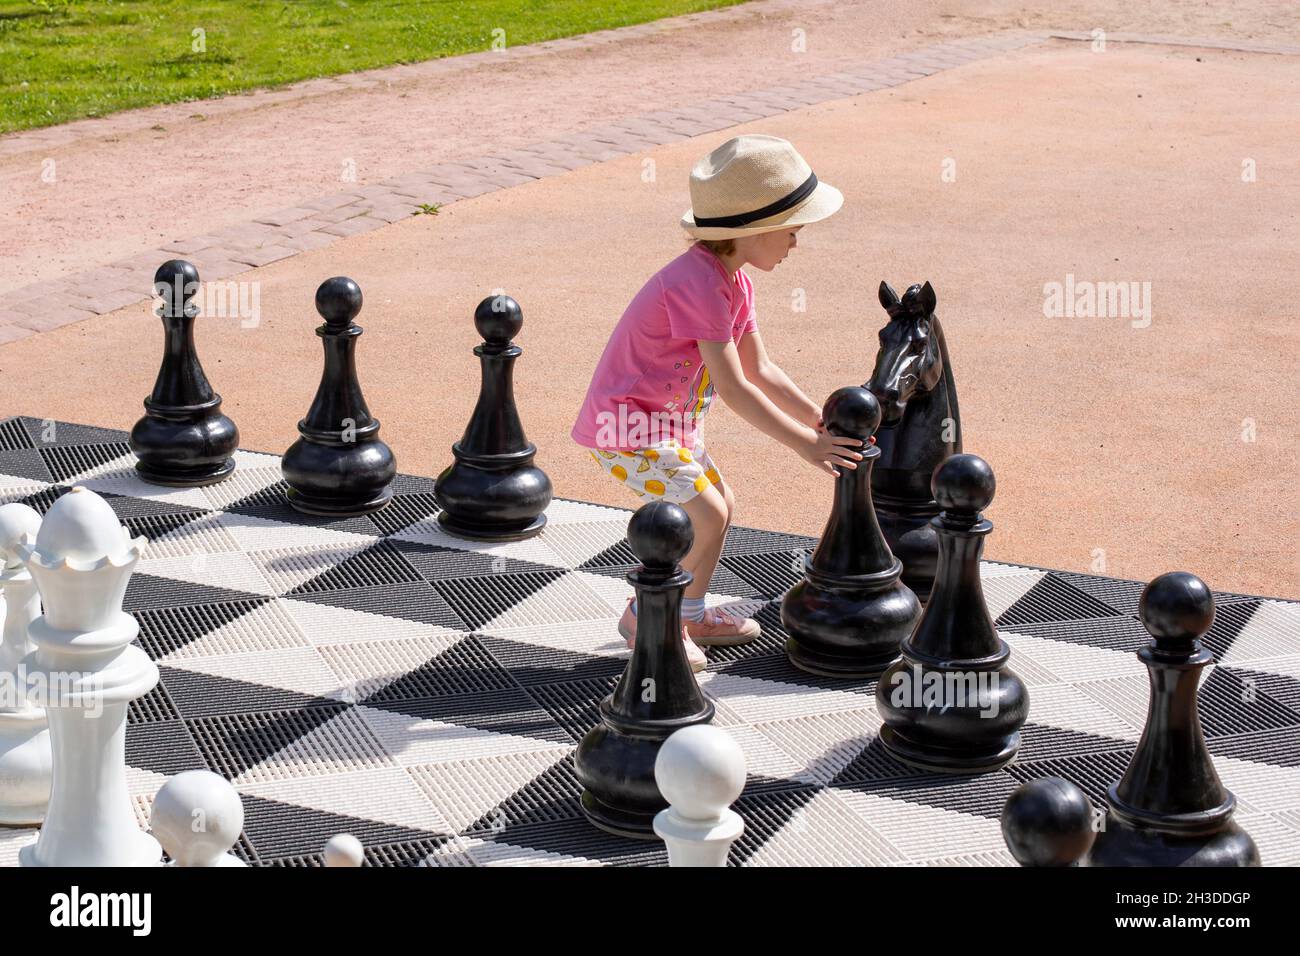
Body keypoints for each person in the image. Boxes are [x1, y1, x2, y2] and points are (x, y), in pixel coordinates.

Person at [571, 134, 863, 671]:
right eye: (792, 232)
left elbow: (762, 369)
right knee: (704, 514)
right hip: (627, 427)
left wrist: (819, 420)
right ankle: (647, 616)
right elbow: (733, 387)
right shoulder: (697, 285)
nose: (796, 244)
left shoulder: (734, 282)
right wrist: (807, 445)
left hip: (667, 425)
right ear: (752, 230)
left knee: (720, 507)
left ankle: (691, 612)